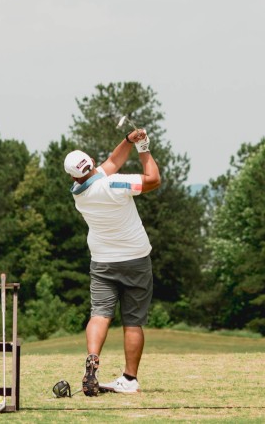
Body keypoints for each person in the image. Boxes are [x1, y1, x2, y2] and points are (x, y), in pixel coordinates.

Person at [63, 127, 161, 396]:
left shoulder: (78, 190)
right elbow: (153, 179)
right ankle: (129, 379)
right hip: (136, 260)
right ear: (91, 162)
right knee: (132, 321)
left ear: (74, 175)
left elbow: (113, 162)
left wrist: (128, 140)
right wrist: (143, 148)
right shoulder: (115, 184)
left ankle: (93, 361)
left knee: (99, 314)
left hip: (102, 262)